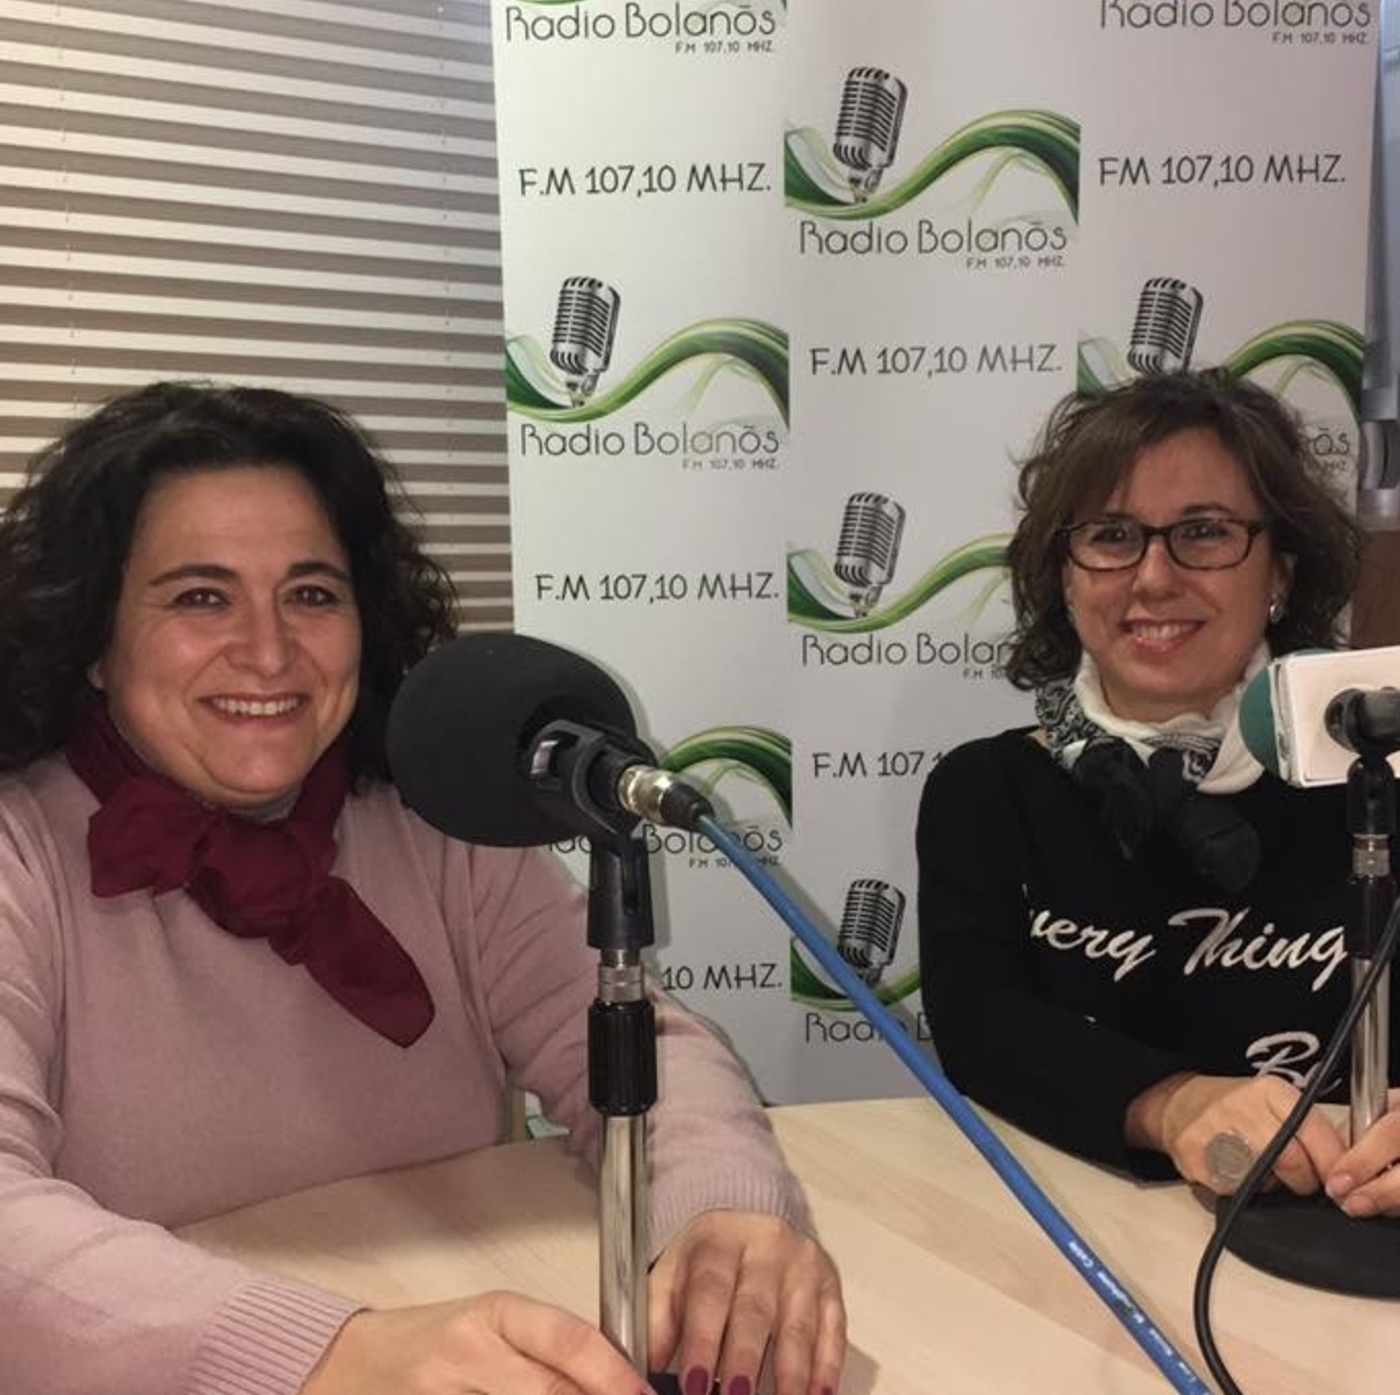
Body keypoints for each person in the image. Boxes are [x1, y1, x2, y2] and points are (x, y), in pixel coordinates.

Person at [0, 381, 846, 1395]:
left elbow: (631, 1044)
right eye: (200, 596)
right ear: (94, 638)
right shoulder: (18, 852)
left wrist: (720, 1207)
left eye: (313, 594)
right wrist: (321, 1351)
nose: (268, 650)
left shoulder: (433, 824)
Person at [917, 367, 1400, 1216]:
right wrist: (1173, 1105)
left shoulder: (1375, 781)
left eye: (1204, 533)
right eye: (1111, 535)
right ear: (1064, 576)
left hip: (1344, 1237)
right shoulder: (985, 791)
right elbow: (977, 1024)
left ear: (1281, 571)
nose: (1153, 577)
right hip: (1071, 1238)